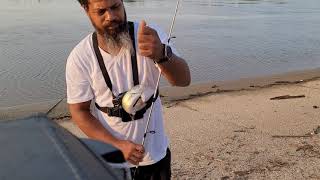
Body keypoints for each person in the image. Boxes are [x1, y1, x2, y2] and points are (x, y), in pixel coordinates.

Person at [66, 0, 191, 179]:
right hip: (111, 160)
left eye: (115, 7)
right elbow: (79, 111)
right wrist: (116, 144)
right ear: (86, 10)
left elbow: (183, 80)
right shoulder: (80, 57)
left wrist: (161, 53)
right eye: (101, 11)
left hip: (155, 157)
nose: (111, 17)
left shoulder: (150, 35)